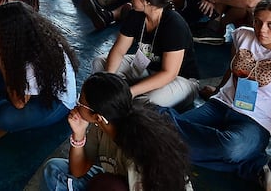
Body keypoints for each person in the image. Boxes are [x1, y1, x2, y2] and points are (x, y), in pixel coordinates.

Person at [162, 0, 271, 190]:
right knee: (166, 132)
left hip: (256, 120)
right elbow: (232, 69)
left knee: (231, 147)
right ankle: (250, 164)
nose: (262, 29)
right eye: (258, 22)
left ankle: (163, 122)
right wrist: (218, 91)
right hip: (220, 105)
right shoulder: (242, 35)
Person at [42, 72, 190, 191]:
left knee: (108, 185)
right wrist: (79, 134)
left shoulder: (137, 156)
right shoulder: (101, 126)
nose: (77, 105)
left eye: (80, 102)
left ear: (98, 116)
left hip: (142, 185)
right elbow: (78, 170)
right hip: (119, 179)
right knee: (55, 168)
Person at [0, 2, 78, 148]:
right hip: (28, 89)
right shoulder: (17, 42)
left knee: (4, 118)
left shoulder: (33, 59)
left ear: (11, 33)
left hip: (54, 103)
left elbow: (18, 102)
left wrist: (1, 55)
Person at [91, 0, 199, 108]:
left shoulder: (174, 25)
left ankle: (126, 95)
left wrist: (131, 92)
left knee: (146, 102)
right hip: (148, 68)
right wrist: (109, 80)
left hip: (180, 79)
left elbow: (169, 73)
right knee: (100, 63)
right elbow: (119, 50)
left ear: (147, 1)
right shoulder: (136, 14)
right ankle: (118, 92)